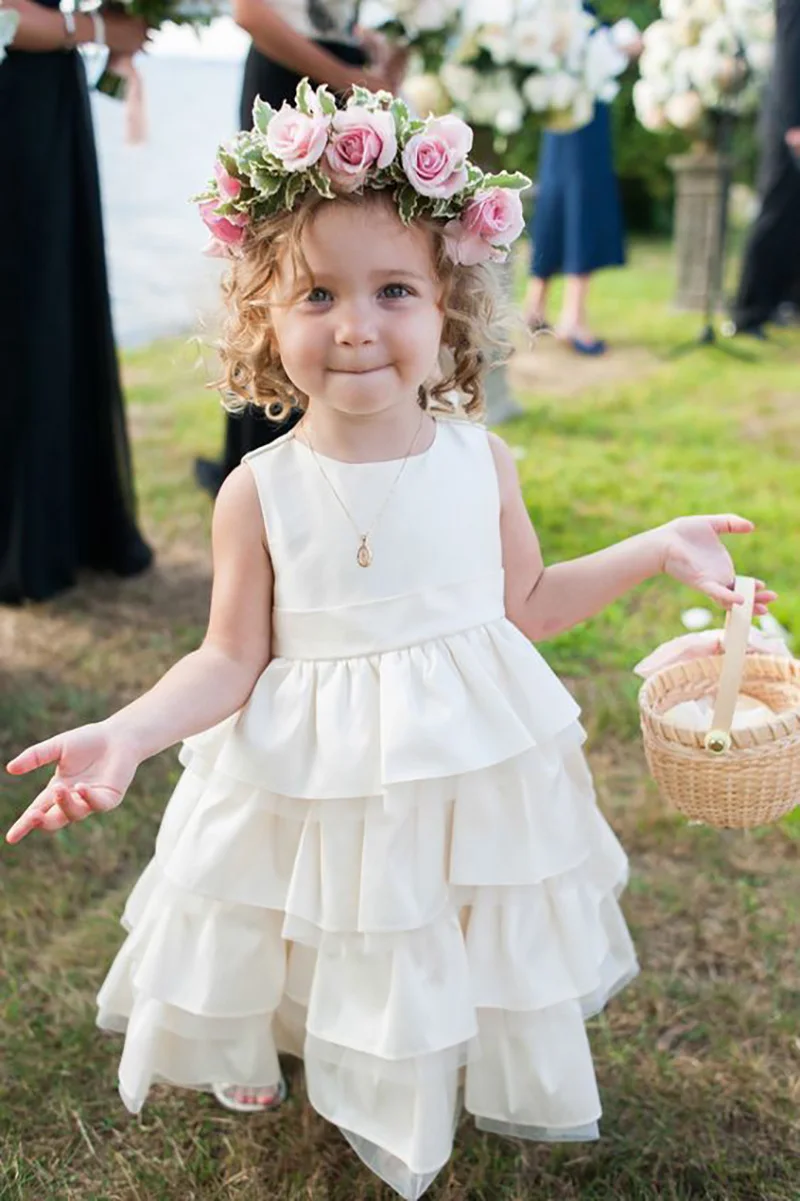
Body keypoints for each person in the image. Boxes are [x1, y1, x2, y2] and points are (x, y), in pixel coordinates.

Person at [5, 85, 776, 1200]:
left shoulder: (480, 464)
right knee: (305, 901)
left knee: (420, 904)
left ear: (450, 311)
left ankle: (420, 1038)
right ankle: (273, 1029)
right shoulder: (257, 491)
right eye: (315, 292)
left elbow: (529, 604)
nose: (356, 323)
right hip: (306, 758)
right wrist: (127, 735)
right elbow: (227, 657)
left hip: (457, 752)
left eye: (394, 289)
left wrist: (655, 546)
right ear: (262, 318)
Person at [193, 0, 408, 497]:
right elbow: (250, 12)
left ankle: (332, 463)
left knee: (344, 268)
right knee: (280, 276)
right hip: (288, 82)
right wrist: (344, 75)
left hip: (347, 78)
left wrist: (370, 46)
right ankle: (253, 466)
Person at [0, 0, 153, 604]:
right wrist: (98, 30)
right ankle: (22, 538)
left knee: (54, 305)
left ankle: (66, 526)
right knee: (22, 310)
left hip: (50, 96)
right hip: (12, 103)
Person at [523, 6, 641, 356]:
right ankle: (572, 316)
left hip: (559, 105)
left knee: (557, 200)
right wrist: (619, 46)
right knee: (581, 200)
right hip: (580, 107)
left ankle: (534, 306)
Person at [731, 0, 800, 339]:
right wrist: (793, 125)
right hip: (789, 123)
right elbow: (789, 55)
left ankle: (785, 301)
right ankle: (748, 310)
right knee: (774, 214)